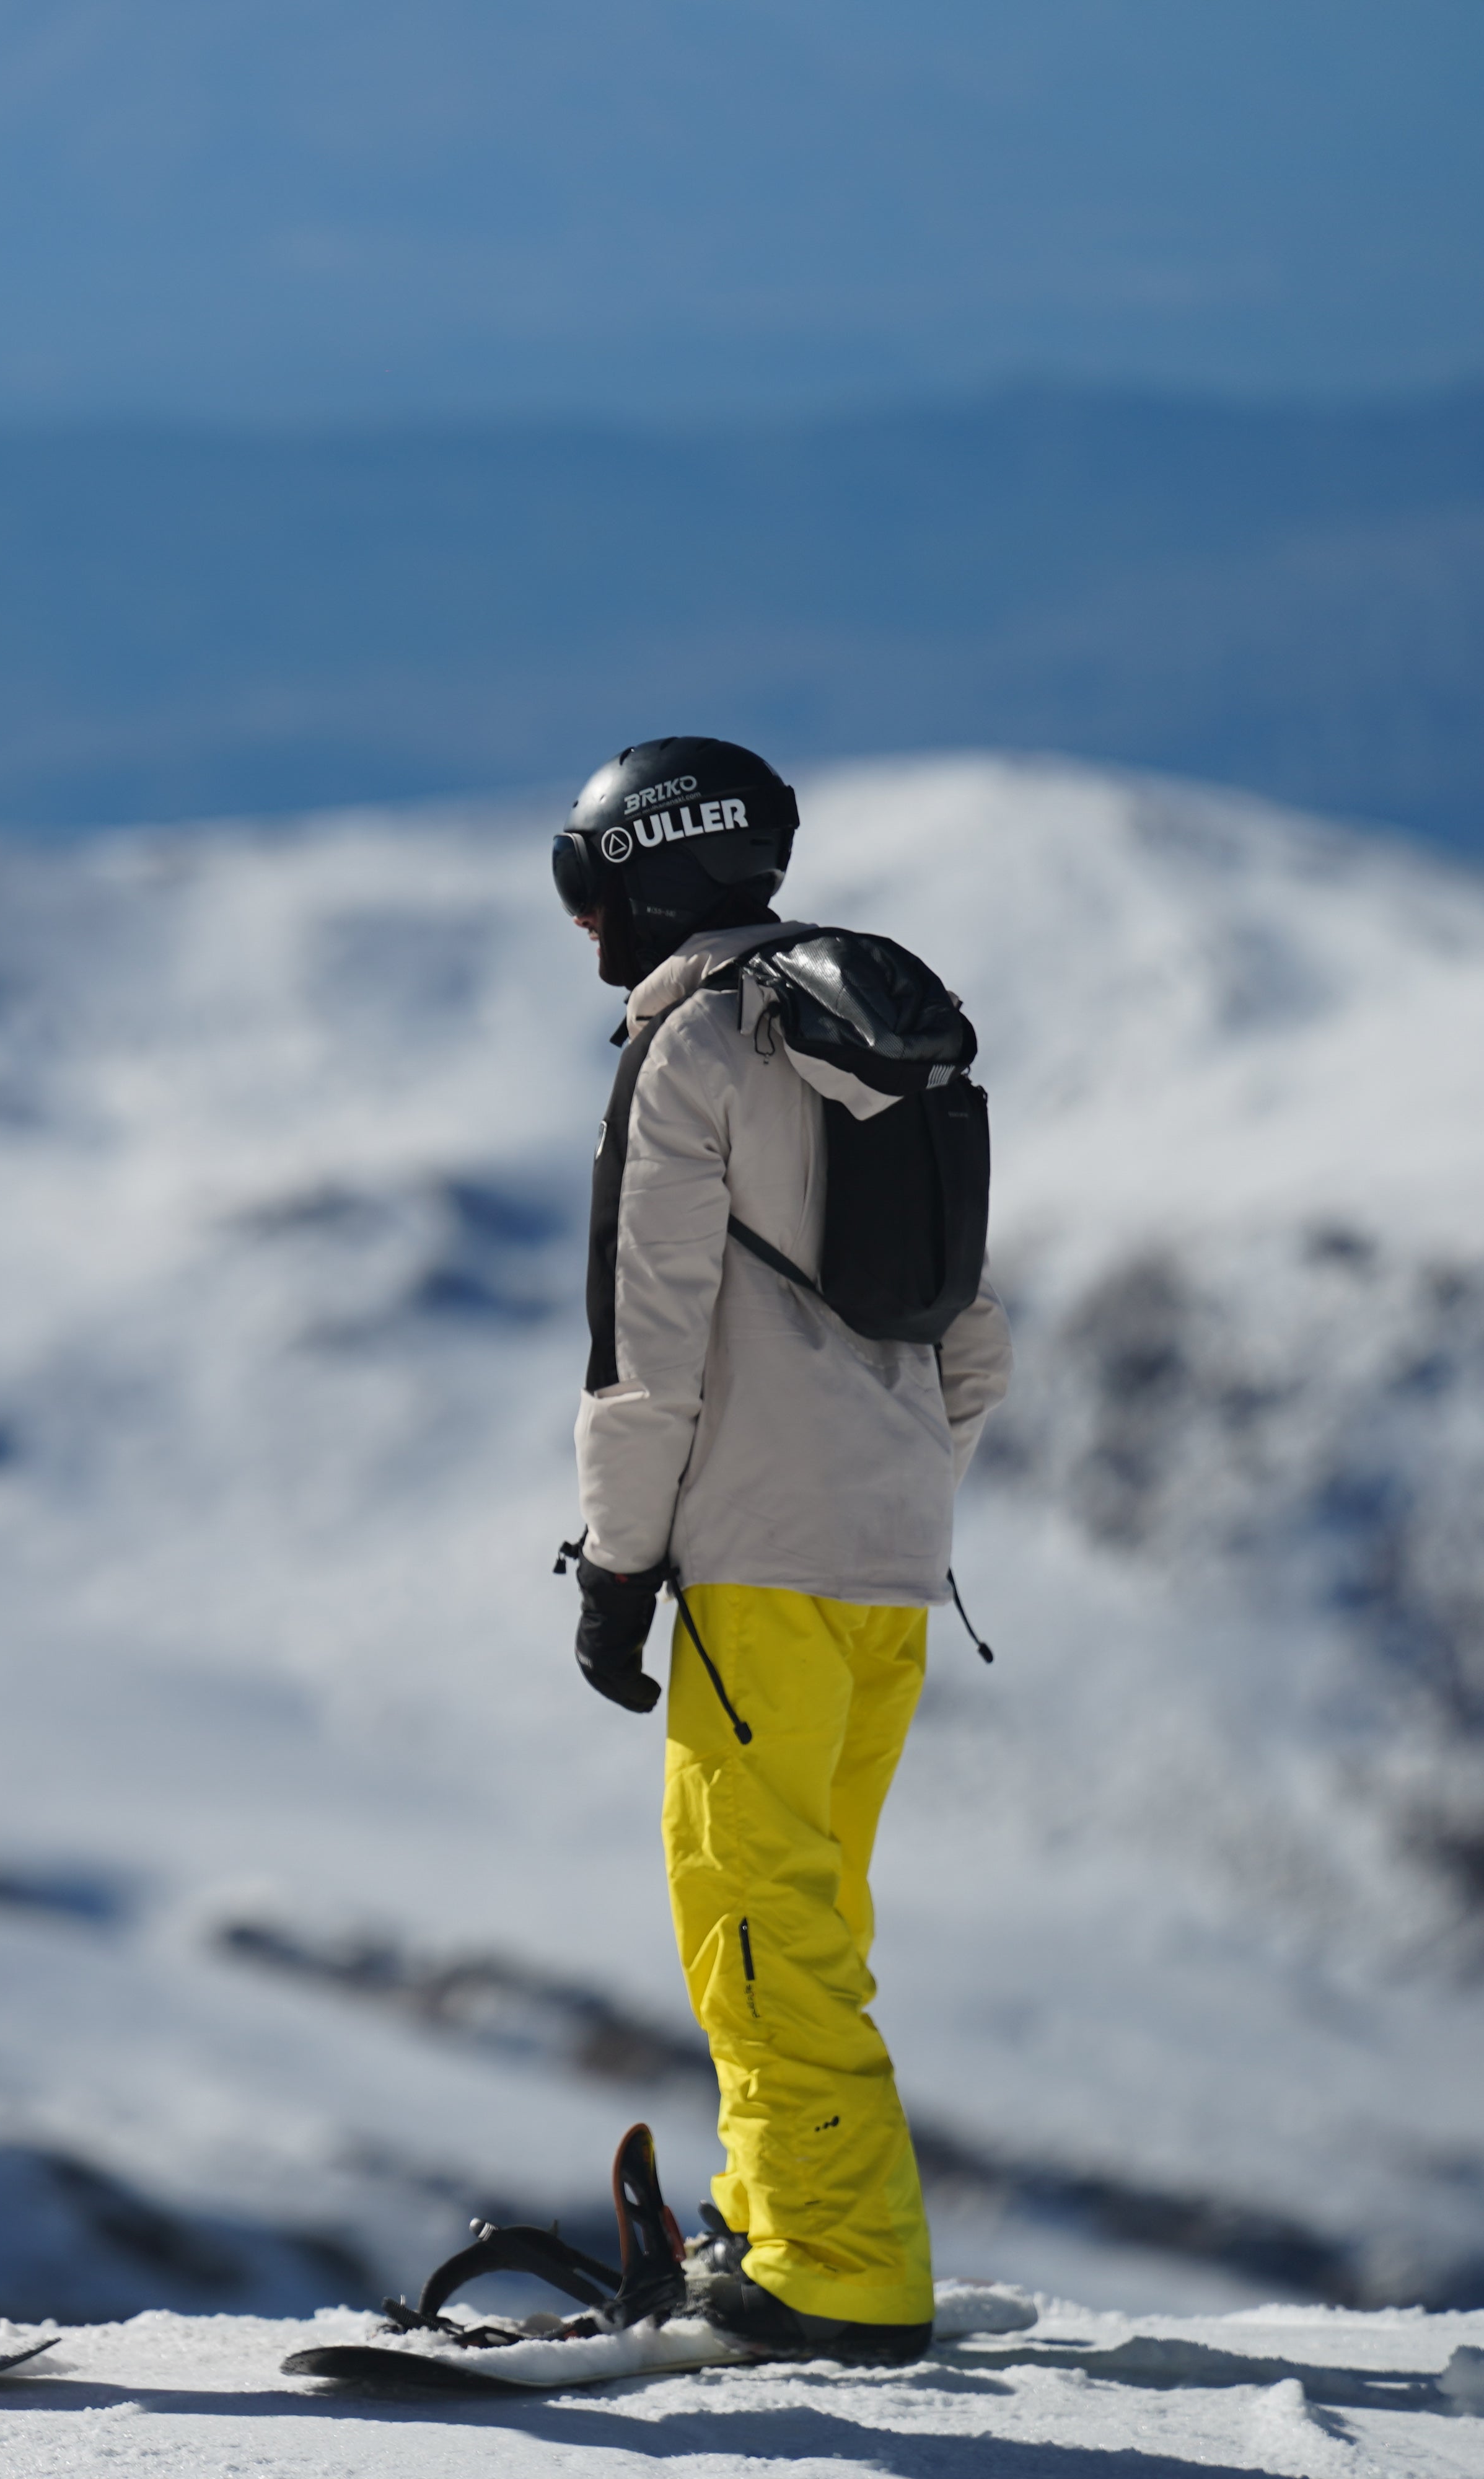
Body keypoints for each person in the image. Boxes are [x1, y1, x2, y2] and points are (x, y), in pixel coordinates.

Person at [551, 737, 1011, 2366]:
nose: (585, 920)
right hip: (895, 1560)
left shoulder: (698, 1042)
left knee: (751, 1921)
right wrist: (886, 1495)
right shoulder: (877, 1034)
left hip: (755, 1560)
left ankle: (838, 2273)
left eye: (585, 882)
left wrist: (619, 1568)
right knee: (810, 1913)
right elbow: (972, 1333)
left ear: (643, 873)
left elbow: (649, 1332)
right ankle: (768, 2216)